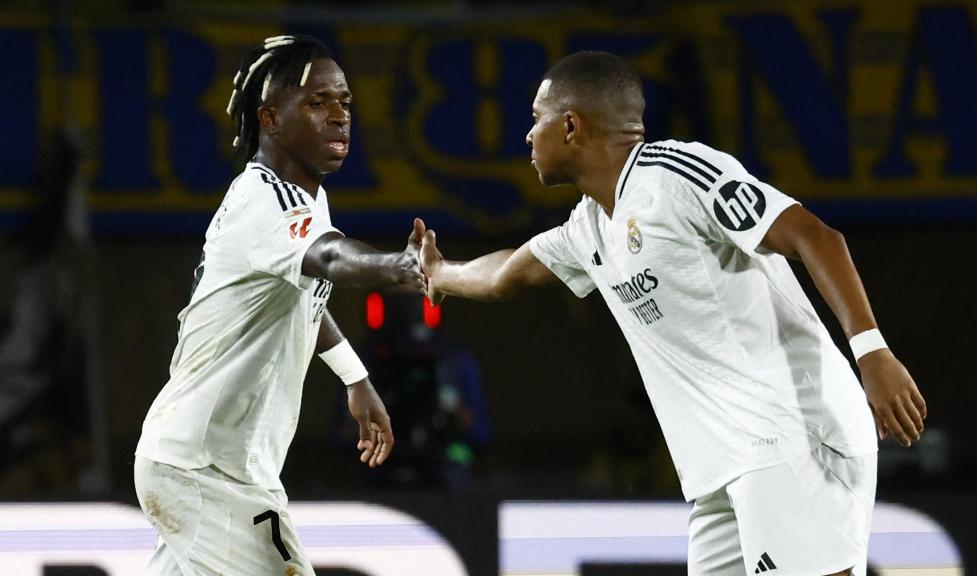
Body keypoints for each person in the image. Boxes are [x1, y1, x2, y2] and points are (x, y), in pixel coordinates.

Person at [419, 51, 927, 576]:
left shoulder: (676, 176)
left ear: (571, 125)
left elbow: (815, 236)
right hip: (721, 471)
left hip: (792, 440)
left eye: (535, 118)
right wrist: (442, 275)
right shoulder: (590, 226)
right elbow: (510, 275)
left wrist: (872, 353)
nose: (527, 136)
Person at [134, 35, 423, 575]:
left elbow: (303, 296)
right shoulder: (268, 202)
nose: (339, 116)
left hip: (203, 463)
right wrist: (399, 266)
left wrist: (354, 377)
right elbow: (335, 260)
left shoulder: (302, 196)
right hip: (205, 469)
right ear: (270, 119)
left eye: (344, 102)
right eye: (317, 103)